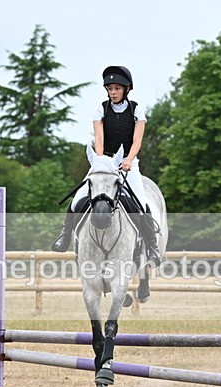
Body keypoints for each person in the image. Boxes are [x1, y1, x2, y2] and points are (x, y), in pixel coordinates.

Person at [51, 65, 161, 265]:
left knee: (141, 203)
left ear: (126, 89)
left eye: (117, 88)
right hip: (104, 164)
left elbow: (137, 141)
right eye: (110, 89)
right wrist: (102, 162)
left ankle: (152, 247)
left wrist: (128, 160)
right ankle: (65, 236)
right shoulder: (100, 109)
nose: (113, 92)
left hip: (128, 164)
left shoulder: (137, 110)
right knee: (78, 199)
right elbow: (99, 138)